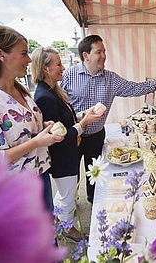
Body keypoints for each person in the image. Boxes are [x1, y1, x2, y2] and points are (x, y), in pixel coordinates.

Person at [0, 23, 64, 212]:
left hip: (39, 175)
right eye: (24, 53)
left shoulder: (21, 91)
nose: (30, 59)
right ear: (1, 55)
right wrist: (36, 142)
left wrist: (42, 129)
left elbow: (22, 133)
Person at [60, 34, 156, 203]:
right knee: (71, 176)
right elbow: (60, 102)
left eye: (104, 51)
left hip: (96, 136)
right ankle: (71, 205)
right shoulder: (69, 75)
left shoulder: (111, 78)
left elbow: (133, 88)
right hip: (73, 136)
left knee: (95, 176)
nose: (104, 56)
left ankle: (94, 202)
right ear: (86, 55)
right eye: (99, 52)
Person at [31, 46, 103, 239]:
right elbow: (59, 136)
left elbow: (64, 121)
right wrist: (83, 123)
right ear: (45, 68)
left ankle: (60, 217)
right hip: (62, 156)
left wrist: (83, 114)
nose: (63, 67)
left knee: (66, 191)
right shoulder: (44, 97)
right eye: (58, 64)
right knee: (68, 194)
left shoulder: (52, 90)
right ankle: (68, 228)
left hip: (67, 154)